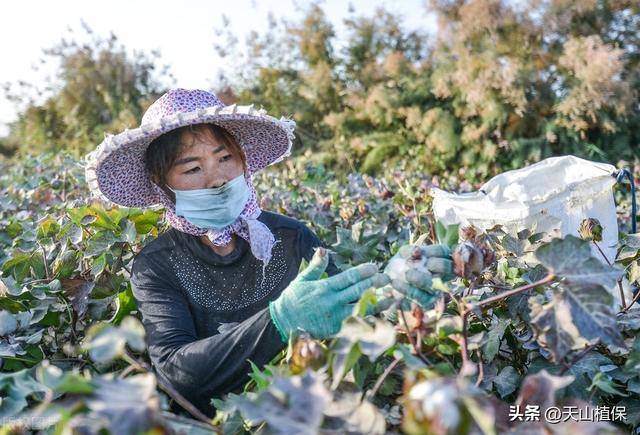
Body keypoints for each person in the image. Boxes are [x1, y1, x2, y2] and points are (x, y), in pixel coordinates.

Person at [84, 88, 453, 418]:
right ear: (161, 184)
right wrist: (279, 321)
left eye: (225, 158)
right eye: (193, 168)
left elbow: (351, 307)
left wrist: (391, 287)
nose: (216, 178)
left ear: (243, 161)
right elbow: (178, 374)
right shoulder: (157, 264)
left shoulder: (291, 238)